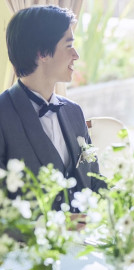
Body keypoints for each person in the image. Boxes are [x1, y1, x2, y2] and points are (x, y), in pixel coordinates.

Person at [0, 5, 105, 208]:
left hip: (87, 235)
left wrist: (130, 202)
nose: (76, 55)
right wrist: (59, 225)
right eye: (68, 46)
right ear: (42, 53)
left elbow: (94, 181)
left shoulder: (74, 111)